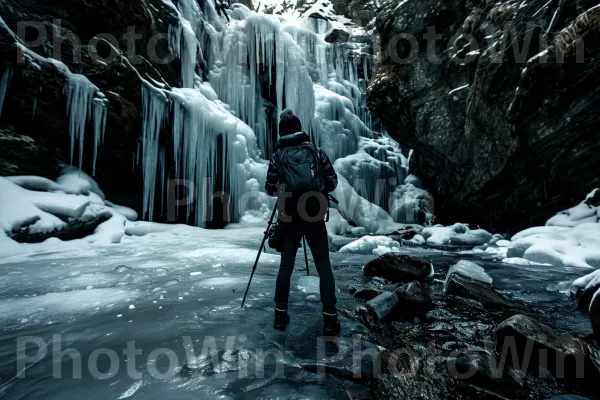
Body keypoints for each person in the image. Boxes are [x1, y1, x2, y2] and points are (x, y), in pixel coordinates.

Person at [265, 108, 341, 336]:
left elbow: (270, 188)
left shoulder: (278, 157)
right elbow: (333, 181)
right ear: (300, 129)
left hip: (288, 216)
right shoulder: (316, 152)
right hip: (313, 214)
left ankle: (280, 317)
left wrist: (285, 189)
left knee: (285, 267)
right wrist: (316, 190)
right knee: (324, 268)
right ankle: (330, 320)